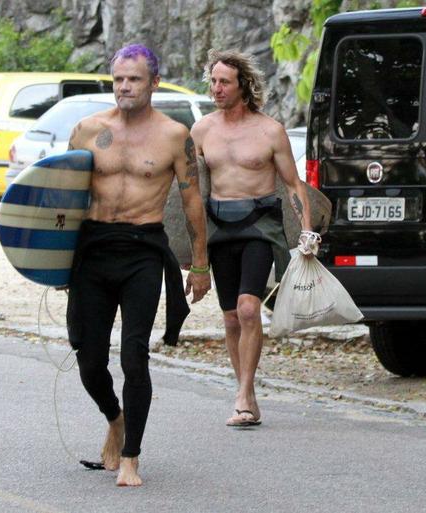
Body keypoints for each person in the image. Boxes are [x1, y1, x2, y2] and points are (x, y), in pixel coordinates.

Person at [65, 44, 211, 486]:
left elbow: (191, 201)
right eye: (119, 79)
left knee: (134, 356)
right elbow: (61, 198)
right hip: (92, 251)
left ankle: (131, 457)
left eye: (134, 79)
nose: (125, 87)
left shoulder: (173, 135)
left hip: (143, 252)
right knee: (88, 360)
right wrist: (54, 263)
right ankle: (115, 418)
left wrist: (200, 263)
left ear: (154, 82)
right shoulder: (87, 130)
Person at [190, 49, 313, 427]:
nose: (216, 89)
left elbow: (293, 185)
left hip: (260, 224)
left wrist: (307, 230)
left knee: (247, 309)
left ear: (243, 85)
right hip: (220, 227)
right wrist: (190, 251)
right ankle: (247, 389)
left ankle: (242, 396)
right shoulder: (202, 130)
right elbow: (190, 194)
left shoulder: (269, 130)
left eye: (224, 82)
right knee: (230, 318)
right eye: (213, 81)